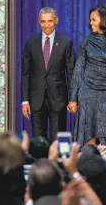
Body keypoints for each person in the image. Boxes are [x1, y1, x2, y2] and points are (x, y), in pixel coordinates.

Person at [69, 6, 106, 146]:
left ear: (104, 20)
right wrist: (72, 98)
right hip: (87, 93)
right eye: (90, 20)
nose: (91, 23)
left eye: (94, 19)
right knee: (88, 136)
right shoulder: (86, 42)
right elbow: (78, 70)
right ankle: (88, 163)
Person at [21, 7, 75, 141]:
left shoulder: (66, 43)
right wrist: (25, 100)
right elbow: (25, 73)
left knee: (60, 139)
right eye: (43, 21)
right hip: (36, 100)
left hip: (58, 99)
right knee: (38, 141)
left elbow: (71, 73)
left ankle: (61, 163)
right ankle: (41, 163)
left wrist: (73, 99)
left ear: (56, 21)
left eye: (50, 21)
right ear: (39, 22)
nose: (46, 25)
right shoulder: (31, 43)